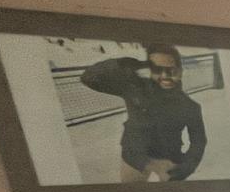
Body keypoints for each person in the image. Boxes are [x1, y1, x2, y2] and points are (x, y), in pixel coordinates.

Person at [81, 44, 207, 182]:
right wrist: (124, 63)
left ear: (181, 70)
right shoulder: (135, 87)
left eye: (172, 70)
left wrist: (186, 167)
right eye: (157, 69)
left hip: (168, 159)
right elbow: (89, 78)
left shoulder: (190, 106)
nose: (165, 76)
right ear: (150, 69)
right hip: (134, 156)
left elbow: (199, 141)